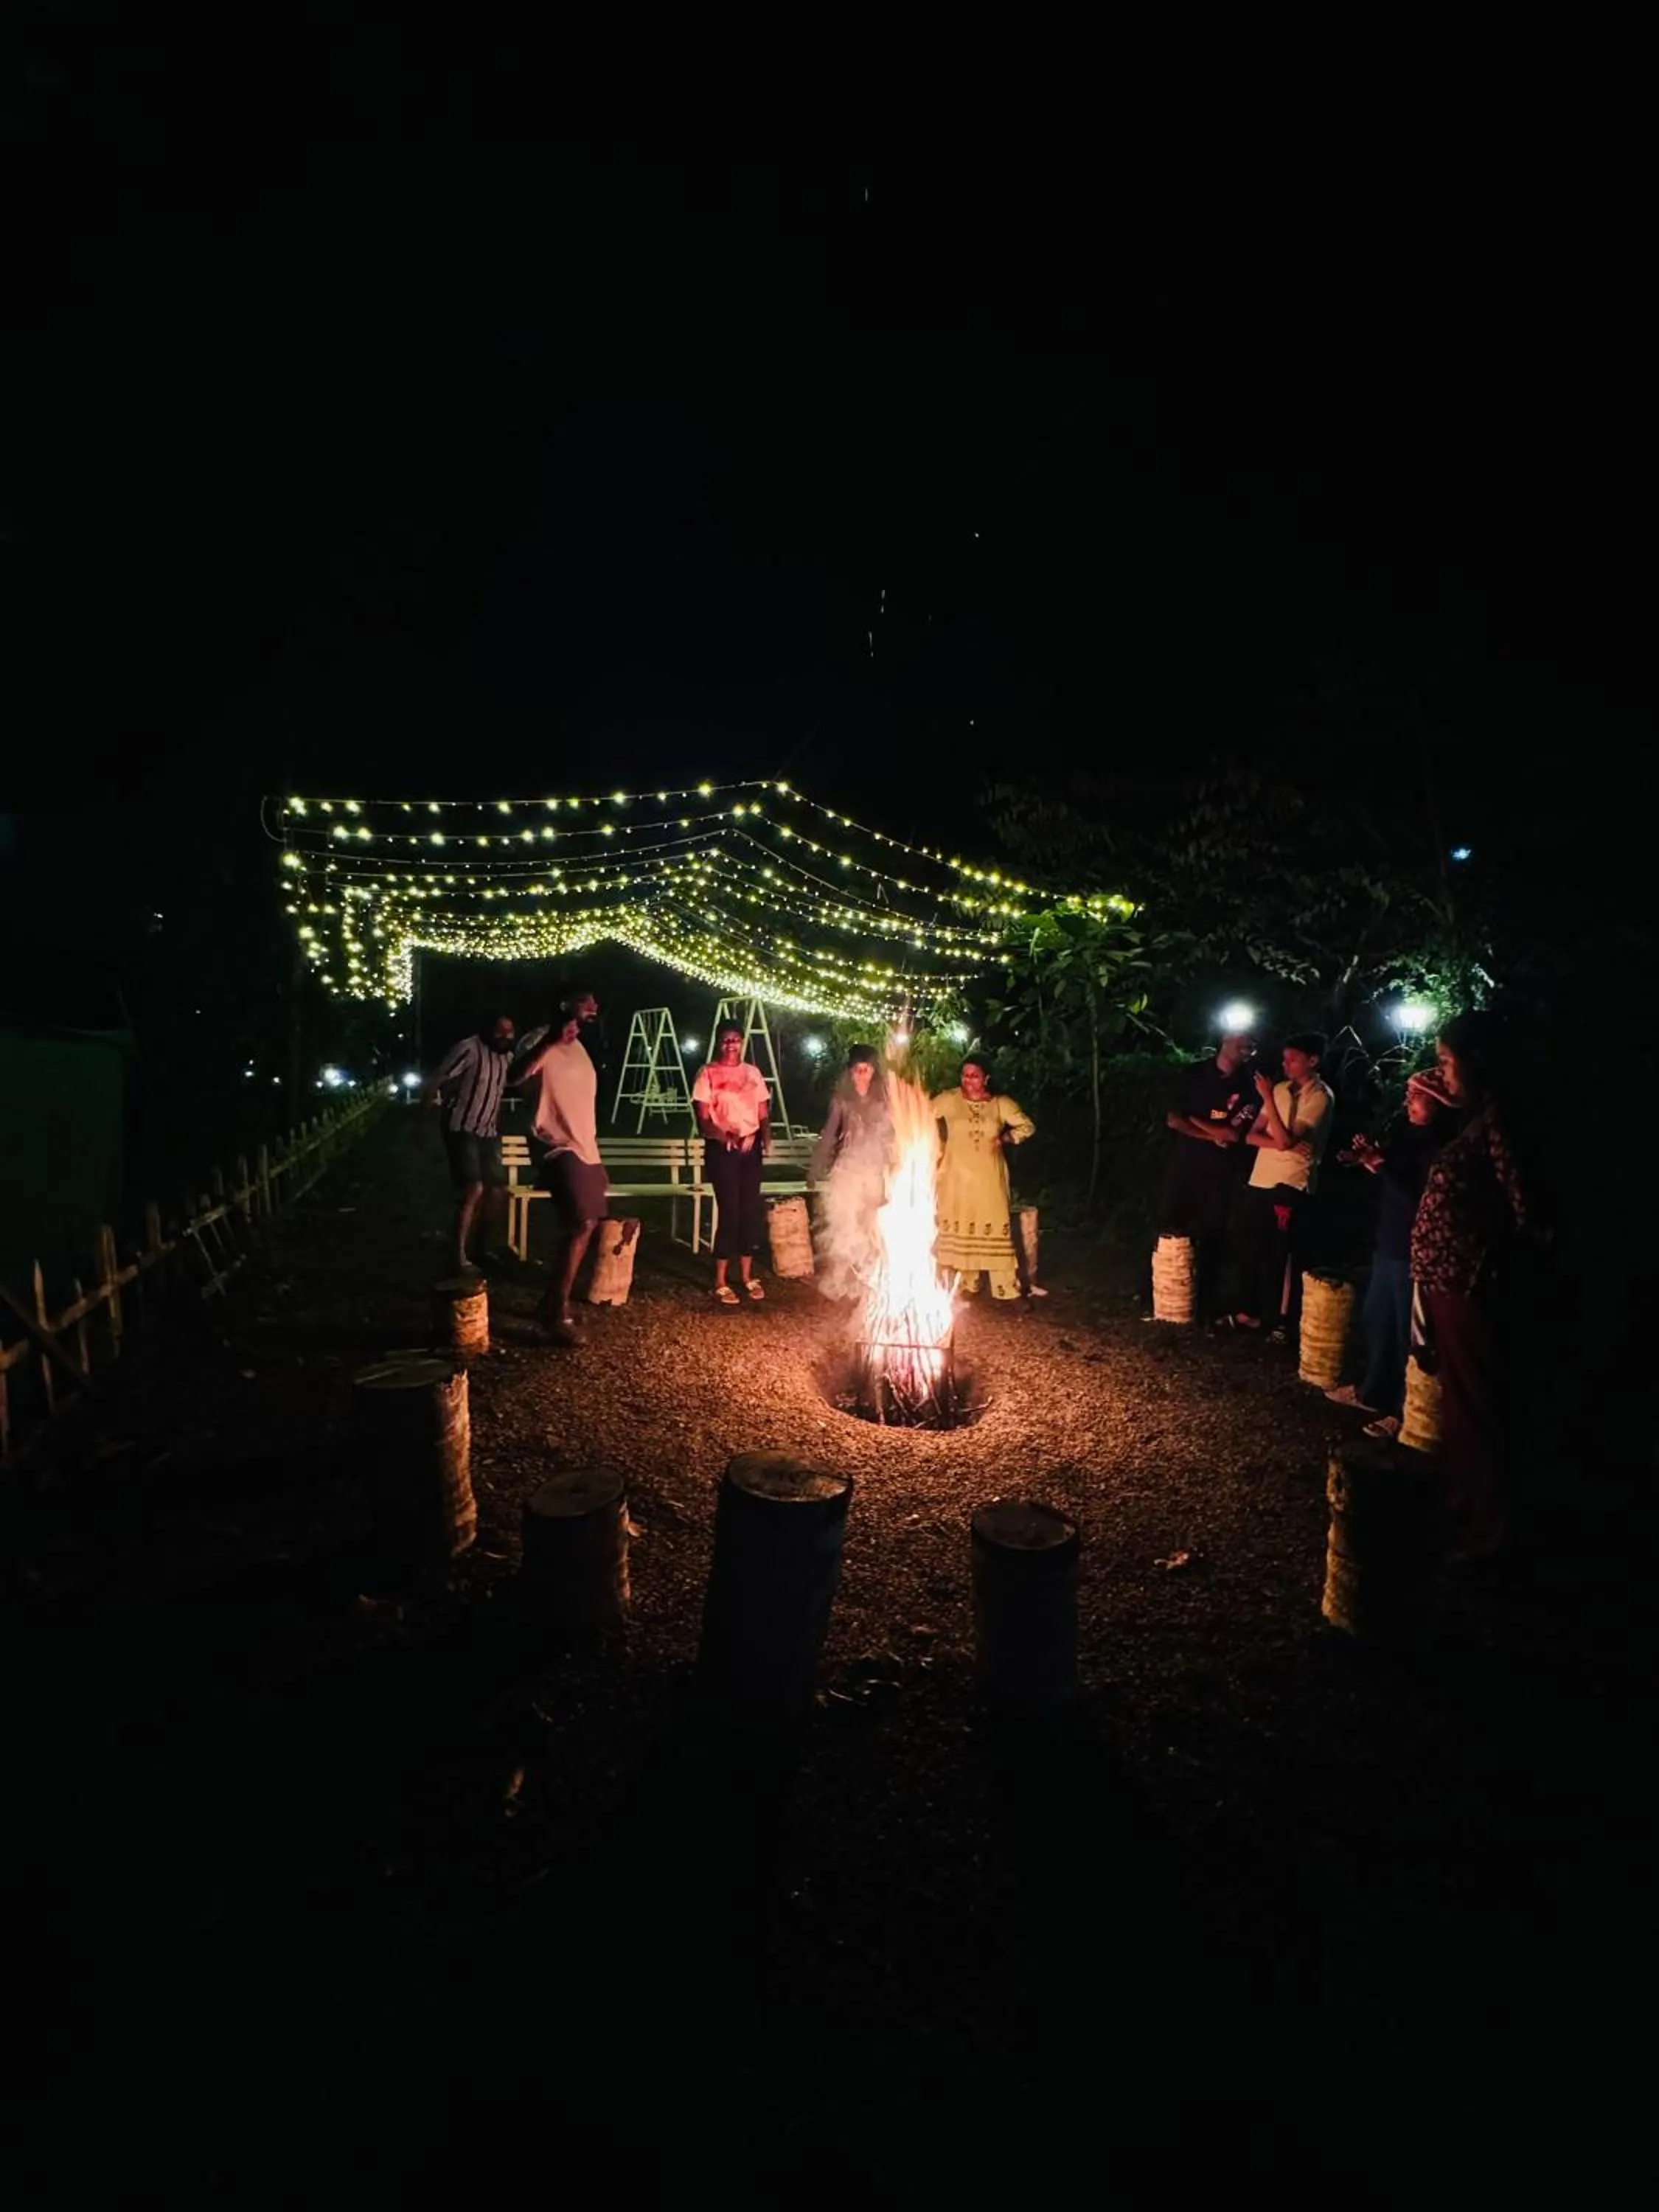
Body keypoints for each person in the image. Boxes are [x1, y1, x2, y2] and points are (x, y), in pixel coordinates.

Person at [1410, 1011, 1543, 1565]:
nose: (1439, 1074)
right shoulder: (1475, 1120)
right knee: (1459, 1404)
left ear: (1479, 1062)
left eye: (1445, 1061)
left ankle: (1491, 1535)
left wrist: (1491, 1261)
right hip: (1449, 1281)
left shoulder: (1503, 1121)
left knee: (1479, 1406)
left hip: (1472, 1284)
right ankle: (1463, 1507)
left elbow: (1529, 1210)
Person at [1326, 1073, 1451, 1434]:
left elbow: (1419, 1200)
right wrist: (1367, 1160)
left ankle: (1403, 1409)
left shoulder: (1442, 1146)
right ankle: (1373, 1391)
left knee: (1405, 1333)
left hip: (1414, 1248)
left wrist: (1380, 1165)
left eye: (1417, 1096)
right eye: (1408, 1094)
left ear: (1439, 1101)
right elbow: (1392, 1178)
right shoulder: (1408, 1136)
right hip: (1389, 1242)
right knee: (1377, 1320)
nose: (1407, 1102)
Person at [1221, 1032, 1333, 1338]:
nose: (1286, 1065)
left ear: (1313, 1061)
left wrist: (1269, 1103)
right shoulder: (1281, 1089)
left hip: (1292, 1182)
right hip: (1262, 1178)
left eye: (1294, 1060)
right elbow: (1252, 1135)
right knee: (1249, 1245)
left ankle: (1281, 1320)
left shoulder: (1319, 1096)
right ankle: (1249, 1311)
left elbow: (1284, 1140)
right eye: (1285, 1059)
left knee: (1281, 1253)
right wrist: (1279, 1141)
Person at [516, 986, 608, 1345]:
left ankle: (550, 1300)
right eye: (586, 1000)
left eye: (594, 1001)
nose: (594, 1006)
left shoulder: (580, 1047)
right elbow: (515, 1076)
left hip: (586, 1147)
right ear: (565, 1005)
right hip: (554, 1144)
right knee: (582, 1221)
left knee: (586, 1226)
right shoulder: (538, 1039)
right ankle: (557, 1312)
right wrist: (551, 1040)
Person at [1156, 1027, 1259, 1318]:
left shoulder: (1250, 1084)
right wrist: (1210, 1131)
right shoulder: (1193, 1075)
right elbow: (1175, 1120)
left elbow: (1233, 1132)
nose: (1247, 1045)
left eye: (1251, 1042)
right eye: (1241, 1039)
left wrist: (1200, 1124)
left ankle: (1204, 1302)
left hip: (1221, 1171)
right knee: (1169, 1225)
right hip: (1185, 1165)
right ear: (1225, 1040)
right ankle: (1159, 1292)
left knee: (1214, 1233)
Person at [933, 1058, 1035, 1300]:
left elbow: (1027, 1126)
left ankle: (1006, 1288)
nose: (968, 1080)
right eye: (965, 1075)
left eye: (974, 1075)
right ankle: (969, 1283)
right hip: (955, 1177)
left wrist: (1007, 1138)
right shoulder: (949, 1099)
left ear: (986, 1078)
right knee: (961, 1221)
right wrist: (935, 1144)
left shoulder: (1001, 1104)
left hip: (989, 1178)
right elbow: (919, 1114)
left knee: (995, 1221)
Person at [428, 1013, 515, 1274]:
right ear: (488, 1030)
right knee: (473, 1189)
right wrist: (422, 1122)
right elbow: (438, 1079)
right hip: (462, 1128)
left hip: (487, 1132)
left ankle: (481, 1247)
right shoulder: (468, 1049)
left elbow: (499, 1093)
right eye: (500, 1031)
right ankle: (458, 1255)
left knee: (497, 1192)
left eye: (510, 1032)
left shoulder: (507, 1058)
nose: (505, 1037)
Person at [692, 1020, 772, 1304]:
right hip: (721, 1150)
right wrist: (722, 1135)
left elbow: (762, 1112)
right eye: (725, 1040)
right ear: (718, 1043)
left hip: (750, 1148)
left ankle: (748, 1276)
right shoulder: (708, 1073)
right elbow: (702, 1119)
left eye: (735, 1039)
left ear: (742, 1042)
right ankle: (721, 1279)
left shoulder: (753, 1073)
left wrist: (765, 1138)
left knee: (750, 1210)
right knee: (730, 1211)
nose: (731, 1045)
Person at [810, 1044, 896, 1301]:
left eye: (866, 1069)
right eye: (857, 1070)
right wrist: (816, 1166)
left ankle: (870, 1278)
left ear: (873, 1071)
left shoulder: (883, 1101)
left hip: (874, 1171)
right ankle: (841, 1280)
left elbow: (893, 1134)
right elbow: (829, 1133)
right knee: (845, 1225)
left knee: (871, 1225)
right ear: (850, 1072)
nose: (861, 1074)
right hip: (848, 1169)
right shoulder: (842, 1101)